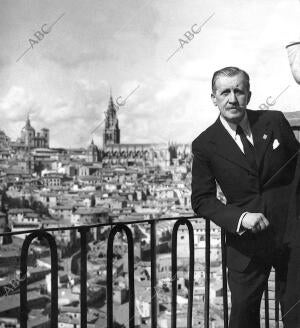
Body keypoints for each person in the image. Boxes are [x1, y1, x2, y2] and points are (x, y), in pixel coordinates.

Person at [191, 66, 300, 328]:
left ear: (248, 95)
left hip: (291, 237)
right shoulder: (205, 144)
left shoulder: (273, 121)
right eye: (224, 92)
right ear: (213, 98)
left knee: (296, 312)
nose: (232, 98)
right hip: (247, 243)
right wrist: (241, 218)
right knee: (243, 315)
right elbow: (202, 199)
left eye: (238, 91)